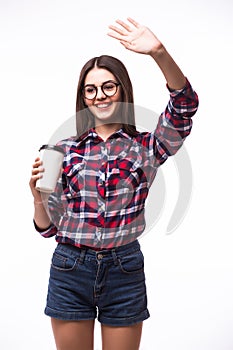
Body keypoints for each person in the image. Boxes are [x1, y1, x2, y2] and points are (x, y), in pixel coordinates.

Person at [29, 18, 198, 350]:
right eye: (90, 89)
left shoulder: (147, 148)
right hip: (70, 268)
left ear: (122, 89)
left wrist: (159, 53)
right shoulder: (64, 150)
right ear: (83, 97)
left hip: (124, 269)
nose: (100, 96)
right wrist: (37, 198)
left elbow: (184, 107)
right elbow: (48, 229)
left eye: (109, 86)